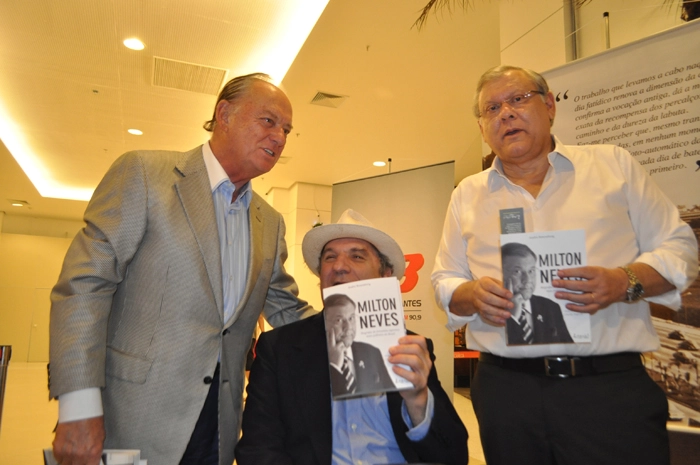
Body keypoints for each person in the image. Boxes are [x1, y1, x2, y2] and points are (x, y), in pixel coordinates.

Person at [431, 65, 698, 465]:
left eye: (518, 99)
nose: (505, 113)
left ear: (550, 105)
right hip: (507, 394)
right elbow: (443, 279)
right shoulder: (467, 195)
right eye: (491, 108)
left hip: (607, 391)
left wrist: (623, 281)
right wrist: (469, 294)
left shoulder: (612, 167)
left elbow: (680, 249)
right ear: (483, 127)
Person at [49, 73, 315, 465]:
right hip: (131, 419)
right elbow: (84, 286)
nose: (280, 137)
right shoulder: (144, 175)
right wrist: (77, 407)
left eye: (287, 130)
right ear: (224, 114)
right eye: (269, 121)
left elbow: (287, 310)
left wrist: (362, 335)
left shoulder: (270, 222)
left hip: (220, 429)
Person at [236, 209, 468, 465]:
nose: (339, 266)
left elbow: (454, 456)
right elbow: (257, 449)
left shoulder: (409, 348)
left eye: (357, 256)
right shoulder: (279, 349)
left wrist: (419, 401)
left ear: (385, 275)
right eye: (329, 257)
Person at [323, 293, 396, 397]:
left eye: (351, 318)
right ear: (325, 323)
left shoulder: (372, 352)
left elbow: (393, 396)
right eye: (338, 320)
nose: (348, 327)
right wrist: (334, 367)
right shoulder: (311, 354)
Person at [502, 242, 572, 345]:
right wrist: (513, 318)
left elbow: (569, 347)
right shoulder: (492, 307)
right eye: (517, 272)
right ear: (502, 273)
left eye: (531, 271)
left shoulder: (551, 307)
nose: (527, 279)